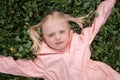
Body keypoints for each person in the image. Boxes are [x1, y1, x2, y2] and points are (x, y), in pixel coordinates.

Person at [0, 0, 120, 80]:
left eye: (61, 32)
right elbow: (16, 67)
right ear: (44, 38)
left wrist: (109, 2)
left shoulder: (79, 41)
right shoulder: (43, 61)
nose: (57, 37)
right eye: (51, 35)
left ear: (68, 31)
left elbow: (97, 23)